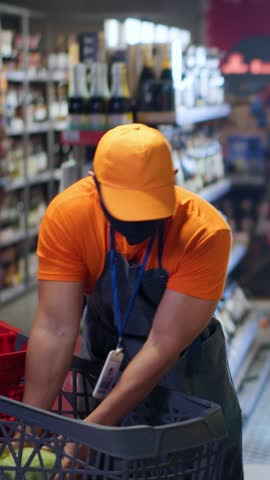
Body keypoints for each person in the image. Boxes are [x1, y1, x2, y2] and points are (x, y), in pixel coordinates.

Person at [23, 123, 243, 479]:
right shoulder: (69, 216)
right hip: (107, 365)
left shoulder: (204, 232)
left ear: (173, 179)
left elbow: (161, 347)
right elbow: (55, 328)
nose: (137, 221)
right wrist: (30, 429)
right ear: (95, 183)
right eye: (125, 208)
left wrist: (91, 432)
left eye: (149, 208)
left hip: (190, 380)